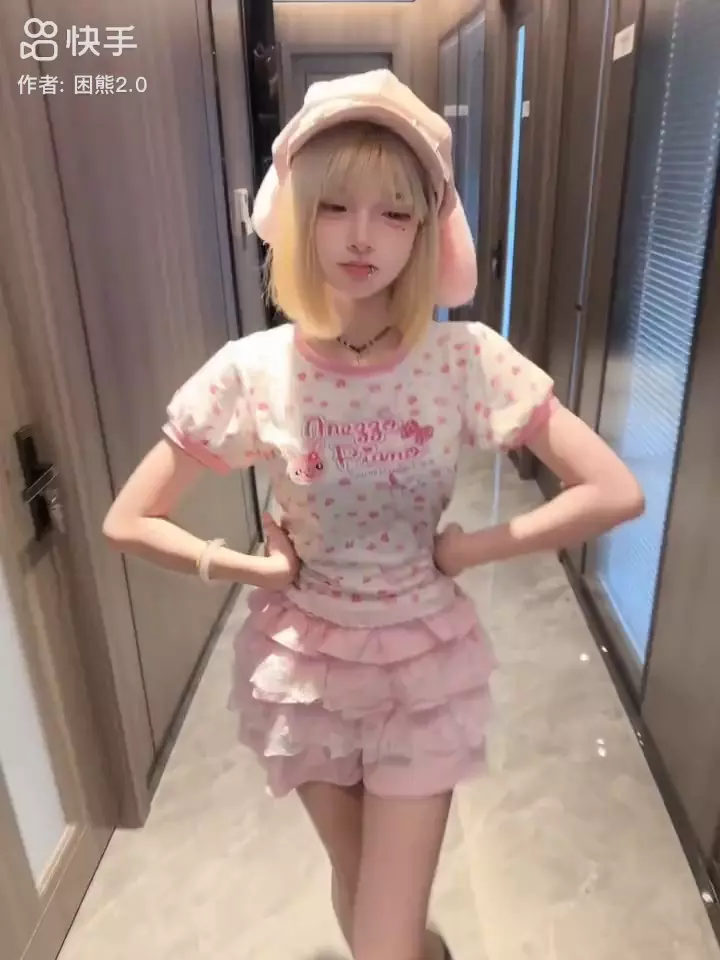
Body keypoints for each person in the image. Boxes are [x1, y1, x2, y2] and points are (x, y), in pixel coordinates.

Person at [103, 70, 644, 960]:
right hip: (304, 666)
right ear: (298, 216)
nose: (363, 237)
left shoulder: (465, 357)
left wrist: (471, 550)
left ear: (425, 229)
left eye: (395, 213)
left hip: (422, 669)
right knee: (361, 889)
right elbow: (128, 519)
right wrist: (250, 567)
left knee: (383, 934)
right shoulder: (251, 369)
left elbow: (614, 490)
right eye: (335, 207)